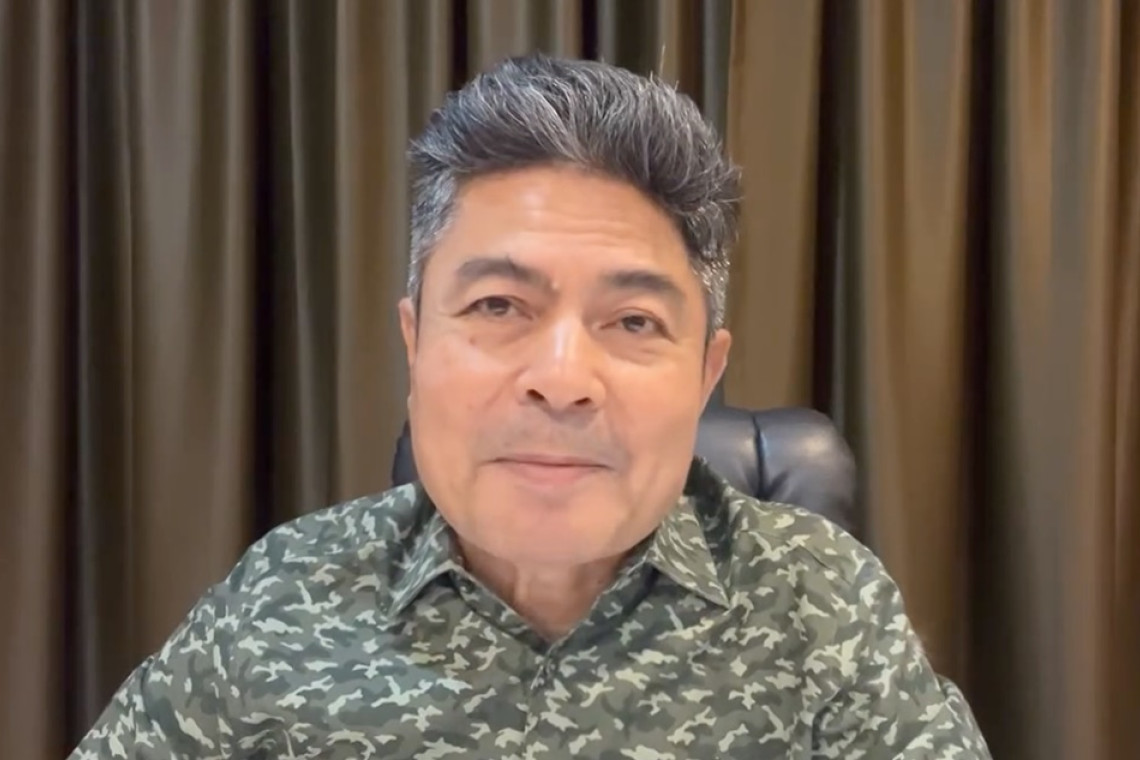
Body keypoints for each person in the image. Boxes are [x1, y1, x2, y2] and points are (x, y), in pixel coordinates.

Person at [69, 53, 990, 759]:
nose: (561, 377)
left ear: (706, 374)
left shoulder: (818, 601)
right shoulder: (285, 595)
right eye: (498, 306)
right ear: (414, 345)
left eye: (633, 321)